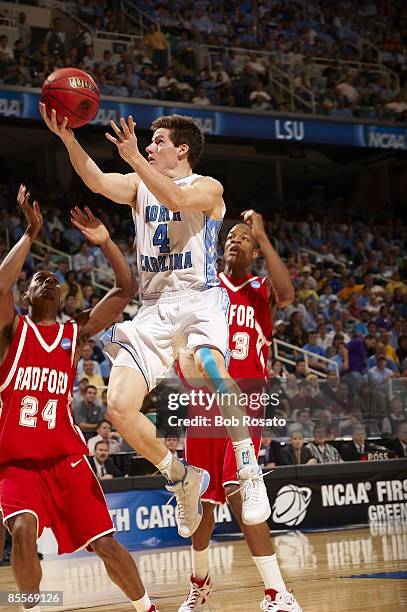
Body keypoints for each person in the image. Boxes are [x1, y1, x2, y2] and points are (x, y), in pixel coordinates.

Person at [39, 107, 271, 537]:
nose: (148, 146)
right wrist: (69, 139)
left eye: (158, 141)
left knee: (212, 366)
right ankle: (182, 478)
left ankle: (249, 466)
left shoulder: (207, 187)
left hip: (198, 300)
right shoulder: (137, 183)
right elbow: (95, 179)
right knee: (119, 406)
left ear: (182, 149)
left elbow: (177, 200)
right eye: (148, 143)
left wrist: (135, 160)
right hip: (152, 308)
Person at [0, 187, 158, 612]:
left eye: (54, 278)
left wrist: (106, 241)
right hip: (16, 463)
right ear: (28, 298)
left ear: (63, 296)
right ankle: (32, 606)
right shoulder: (12, 333)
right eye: (37, 278)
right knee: (23, 532)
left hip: (66, 456)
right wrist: (31, 234)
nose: (46, 278)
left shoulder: (74, 333)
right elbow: (1, 283)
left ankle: (147, 607)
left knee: (105, 543)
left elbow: (126, 289)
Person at [178, 213, 301, 611]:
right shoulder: (207, 285)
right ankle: (199, 586)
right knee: (200, 501)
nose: (236, 241)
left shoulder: (259, 288)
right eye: (231, 237)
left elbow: (287, 295)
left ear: (254, 250)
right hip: (202, 405)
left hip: (244, 403)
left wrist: (263, 236)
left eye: (244, 239)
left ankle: (277, 591)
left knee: (238, 489)